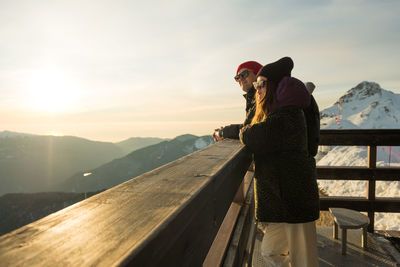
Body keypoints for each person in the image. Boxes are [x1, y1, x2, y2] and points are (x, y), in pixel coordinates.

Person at [239, 57, 320, 267]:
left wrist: (246, 132)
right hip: (286, 200)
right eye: (256, 84)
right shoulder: (282, 111)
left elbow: (256, 136)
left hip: (295, 199)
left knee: (302, 260)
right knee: (271, 251)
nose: (257, 88)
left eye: (261, 83)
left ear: (274, 86)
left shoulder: (289, 114)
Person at [213, 61, 262, 142]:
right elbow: (247, 127)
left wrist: (222, 132)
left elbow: (249, 128)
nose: (241, 79)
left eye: (244, 74)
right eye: (237, 77)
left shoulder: (262, 97)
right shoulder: (253, 98)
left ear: (257, 74)